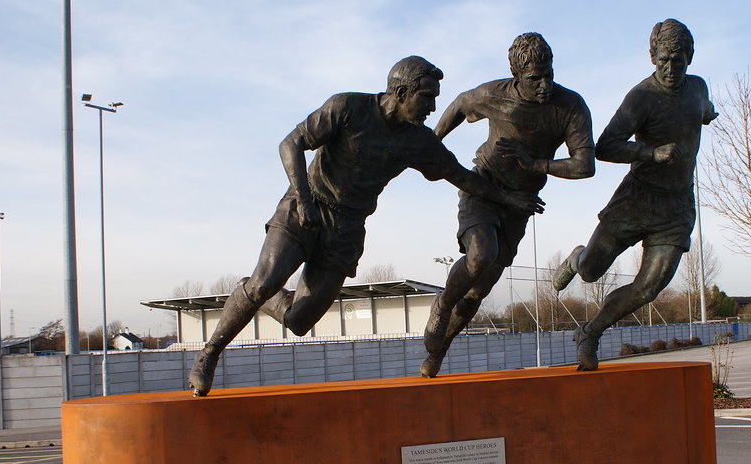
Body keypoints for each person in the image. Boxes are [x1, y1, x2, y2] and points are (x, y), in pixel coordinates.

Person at [188, 56, 543, 396]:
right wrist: (303, 198)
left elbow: (462, 177)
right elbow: (291, 143)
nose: (432, 108)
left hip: (347, 228)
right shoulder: (347, 107)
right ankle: (210, 353)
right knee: (267, 280)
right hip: (305, 207)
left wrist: (510, 199)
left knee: (299, 321)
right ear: (401, 93)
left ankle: (248, 292)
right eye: (427, 98)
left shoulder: (418, 141)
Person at [420, 32, 595, 377]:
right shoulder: (493, 94)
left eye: (549, 75)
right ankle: (441, 304)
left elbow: (584, 166)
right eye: (535, 79)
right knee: (480, 255)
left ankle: (439, 351)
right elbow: (457, 104)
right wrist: (430, 142)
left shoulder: (570, 106)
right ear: (517, 77)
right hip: (484, 188)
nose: (545, 85)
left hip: (520, 204)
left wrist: (535, 164)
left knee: (480, 290)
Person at [551, 19, 718, 370]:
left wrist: (707, 114)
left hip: (676, 207)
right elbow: (605, 146)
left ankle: (591, 332)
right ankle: (576, 258)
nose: (671, 68)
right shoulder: (641, 97)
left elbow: (702, 108)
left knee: (648, 287)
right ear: (652, 57)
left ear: (690, 57)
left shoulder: (698, 87)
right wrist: (651, 153)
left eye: (678, 60)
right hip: (637, 199)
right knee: (591, 271)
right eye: (663, 60)